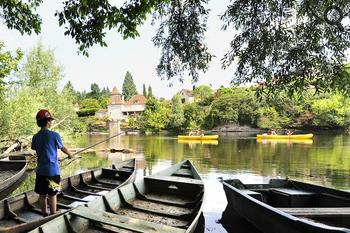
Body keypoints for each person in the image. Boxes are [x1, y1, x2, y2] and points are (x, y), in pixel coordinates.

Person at [31, 109, 73, 216]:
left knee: (42, 195)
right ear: (48, 121)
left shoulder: (35, 137)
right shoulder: (54, 135)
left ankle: (44, 213)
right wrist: (70, 154)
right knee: (52, 194)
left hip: (40, 171)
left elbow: (41, 151)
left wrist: (54, 157)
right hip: (52, 171)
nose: (51, 122)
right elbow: (62, 147)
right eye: (50, 120)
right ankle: (53, 214)